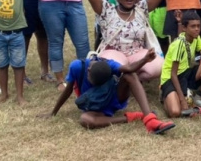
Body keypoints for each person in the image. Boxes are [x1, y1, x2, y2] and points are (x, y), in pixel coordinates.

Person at [78, 0, 180, 81]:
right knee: (109, 67)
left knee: (158, 67)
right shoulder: (106, 10)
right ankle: (122, 81)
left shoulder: (141, 8)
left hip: (137, 52)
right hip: (114, 53)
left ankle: (130, 80)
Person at [42, 49, 176, 134]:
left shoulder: (109, 64)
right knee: (85, 119)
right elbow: (67, 91)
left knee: (130, 75)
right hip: (93, 105)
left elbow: (128, 68)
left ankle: (150, 119)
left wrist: (145, 60)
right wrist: (53, 112)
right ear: (88, 71)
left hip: (112, 98)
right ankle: (129, 118)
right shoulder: (77, 67)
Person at [160, 11, 201, 117]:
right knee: (175, 112)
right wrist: (182, 100)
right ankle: (166, 96)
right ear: (184, 28)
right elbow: (173, 74)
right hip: (171, 78)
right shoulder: (179, 44)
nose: (197, 29)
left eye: (198, 26)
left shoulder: (196, 37)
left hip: (186, 74)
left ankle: (198, 95)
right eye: (193, 26)